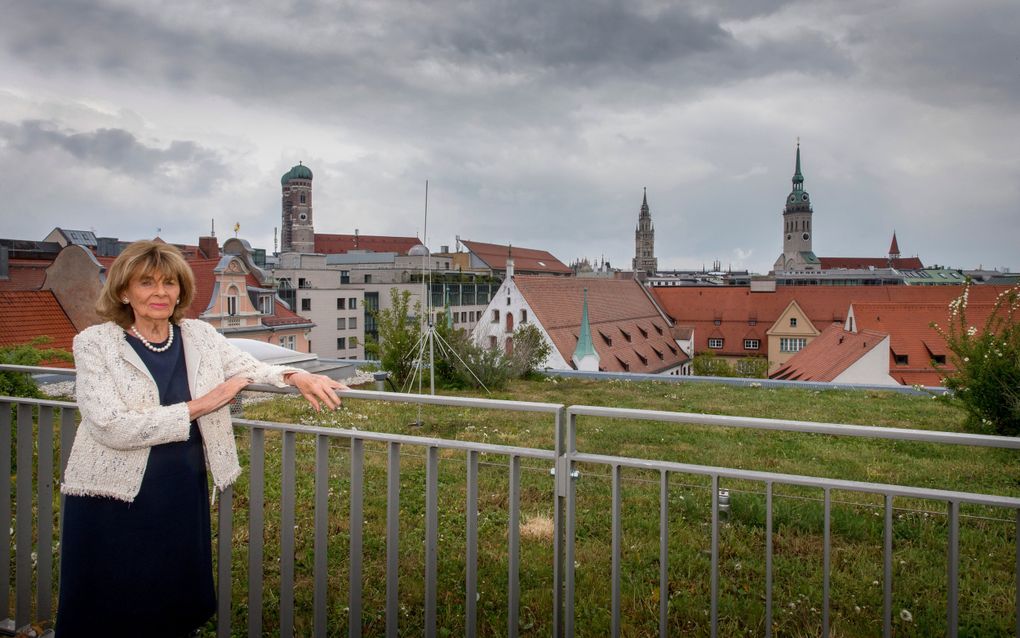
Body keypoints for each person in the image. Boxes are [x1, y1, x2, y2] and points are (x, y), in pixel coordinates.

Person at [56, 240, 346, 637]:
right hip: (112, 496)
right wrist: (203, 404)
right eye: (147, 283)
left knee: (172, 600)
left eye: (170, 283)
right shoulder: (95, 343)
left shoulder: (197, 335)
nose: (161, 293)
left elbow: (249, 365)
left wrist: (297, 376)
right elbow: (109, 424)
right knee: (111, 605)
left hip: (178, 487)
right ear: (124, 291)